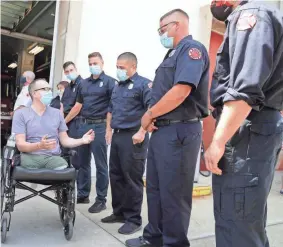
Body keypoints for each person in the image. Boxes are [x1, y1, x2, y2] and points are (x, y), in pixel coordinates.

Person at [126, 9, 209, 247]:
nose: (161, 34)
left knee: (174, 195)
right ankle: (154, 238)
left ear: (177, 25)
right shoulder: (172, 54)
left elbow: (182, 90)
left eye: (162, 28)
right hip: (163, 131)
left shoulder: (191, 50)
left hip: (180, 131)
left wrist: (149, 114)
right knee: (155, 189)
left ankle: (174, 243)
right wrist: (152, 118)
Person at [205, 1, 283, 247]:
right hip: (253, 127)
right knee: (247, 220)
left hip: (246, 129)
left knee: (237, 222)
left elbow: (244, 91)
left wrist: (217, 142)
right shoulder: (261, 13)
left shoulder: (251, 14)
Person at [101, 52, 151, 235]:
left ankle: (133, 218)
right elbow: (111, 109)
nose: (118, 70)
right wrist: (108, 129)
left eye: (122, 67)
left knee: (132, 178)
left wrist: (142, 131)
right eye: (117, 67)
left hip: (134, 137)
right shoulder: (117, 86)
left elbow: (152, 109)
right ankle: (119, 212)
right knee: (116, 175)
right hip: (118, 136)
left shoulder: (144, 84)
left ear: (133, 67)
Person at [65, 52, 116, 212]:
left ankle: (101, 199)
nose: (93, 66)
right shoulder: (84, 84)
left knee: (101, 165)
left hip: (100, 126)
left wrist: (109, 129)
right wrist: (63, 122)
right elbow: (78, 106)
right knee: (82, 162)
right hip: (84, 126)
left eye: (95, 63)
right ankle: (83, 194)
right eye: (90, 63)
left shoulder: (110, 82)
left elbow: (112, 108)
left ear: (102, 63)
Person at [11, 79, 94, 170]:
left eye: (50, 89)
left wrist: (82, 140)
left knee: (63, 167)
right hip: (30, 157)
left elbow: (65, 140)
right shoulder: (21, 114)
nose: (49, 92)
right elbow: (20, 145)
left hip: (52, 158)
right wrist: (39, 146)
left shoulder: (57, 113)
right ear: (34, 93)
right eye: (45, 89)